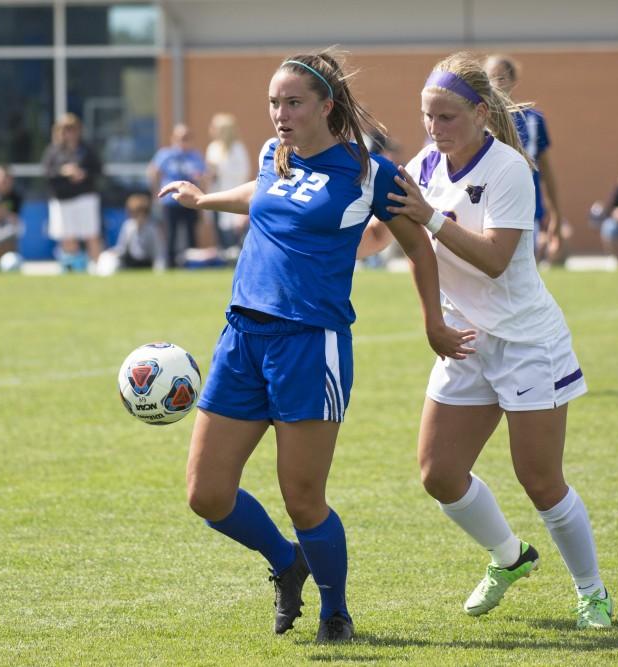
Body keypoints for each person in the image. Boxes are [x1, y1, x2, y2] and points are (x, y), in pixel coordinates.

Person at [158, 51, 472, 643]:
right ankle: (286, 562)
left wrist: (434, 321)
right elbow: (263, 192)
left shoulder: (370, 173)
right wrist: (205, 201)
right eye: (274, 102)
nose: (280, 113)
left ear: (327, 106)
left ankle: (335, 610)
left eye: (293, 102)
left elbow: (419, 247)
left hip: (311, 344)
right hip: (242, 337)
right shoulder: (272, 156)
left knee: (304, 500)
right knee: (207, 494)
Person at [358, 51, 613, 630]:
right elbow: (378, 234)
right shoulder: (425, 164)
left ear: (479, 113)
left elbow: (496, 260)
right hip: (466, 339)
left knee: (540, 480)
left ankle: (592, 591)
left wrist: (430, 218)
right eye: (427, 115)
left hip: (526, 341)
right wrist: (321, 240)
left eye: (445, 116)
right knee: (438, 474)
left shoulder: (509, 171)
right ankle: (510, 557)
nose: (433, 127)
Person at [484, 54, 565, 265]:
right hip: (485, 208)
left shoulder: (532, 120)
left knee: (524, 271)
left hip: (527, 209)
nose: (495, 84)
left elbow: (546, 170)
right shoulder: (476, 117)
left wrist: (556, 214)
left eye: (500, 78)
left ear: (513, 81)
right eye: (489, 77)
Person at [42, 113, 103, 273]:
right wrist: (63, 172)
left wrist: (83, 174)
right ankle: (73, 267)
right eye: (65, 129)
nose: (68, 133)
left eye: (72, 129)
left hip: (85, 197)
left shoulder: (86, 150)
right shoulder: (54, 151)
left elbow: (98, 170)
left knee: (90, 233)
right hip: (63, 199)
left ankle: (96, 267)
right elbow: (47, 172)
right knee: (67, 236)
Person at [149, 124, 206, 267]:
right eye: (180, 138)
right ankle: (170, 264)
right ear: (173, 138)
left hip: (191, 200)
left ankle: (192, 263)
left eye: (187, 138)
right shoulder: (165, 154)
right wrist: (155, 193)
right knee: (171, 234)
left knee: (191, 233)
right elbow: (153, 171)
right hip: (171, 201)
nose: (183, 141)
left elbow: (203, 176)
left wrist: (203, 195)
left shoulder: (195, 156)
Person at [205, 113, 251, 252]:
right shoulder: (213, 147)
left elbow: (243, 172)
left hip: (233, 193)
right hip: (215, 193)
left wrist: (220, 170)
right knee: (219, 229)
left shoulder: (237, 148)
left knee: (234, 231)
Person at [98, 193, 165, 274]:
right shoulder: (128, 226)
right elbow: (122, 248)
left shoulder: (152, 229)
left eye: (140, 214)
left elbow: (158, 253)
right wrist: (111, 253)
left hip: (147, 263)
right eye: (134, 214)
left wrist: (159, 271)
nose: (138, 217)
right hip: (130, 264)